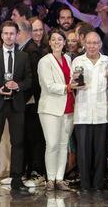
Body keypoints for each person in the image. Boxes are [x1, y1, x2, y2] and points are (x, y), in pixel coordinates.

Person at [0, 21, 32, 192]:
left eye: (12, 33)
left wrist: (17, 85)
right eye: (6, 33)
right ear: (1, 35)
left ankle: (16, 179)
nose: (9, 36)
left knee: (17, 142)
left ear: (17, 35)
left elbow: (29, 80)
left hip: (16, 104)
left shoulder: (23, 56)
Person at [37, 29, 82, 191]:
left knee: (64, 145)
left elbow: (74, 80)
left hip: (69, 106)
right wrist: (68, 87)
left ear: (64, 42)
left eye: (60, 39)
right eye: (53, 40)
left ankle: (59, 178)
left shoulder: (69, 59)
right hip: (50, 108)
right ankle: (50, 179)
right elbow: (48, 86)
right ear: (49, 43)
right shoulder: (45, 61)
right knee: (52, 144)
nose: (57, 42)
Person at [72, 32, 108, 192]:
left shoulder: (107, 61)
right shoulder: (77, 61)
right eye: (89, 43)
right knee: (83, 152)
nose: (92, 46)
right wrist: (75, 83)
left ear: (100, 44)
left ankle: (98, 183)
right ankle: (85, 184)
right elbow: (72, 83)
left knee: (101, 151)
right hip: (83, 113)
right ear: (84, 44)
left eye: (95, 43)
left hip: (103, 113)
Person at [16, 20, 46, 187]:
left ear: (21, 32)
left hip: (32, 101)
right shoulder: (25, 49)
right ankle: (27, 172)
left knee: (34, 137)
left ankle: (37, 172)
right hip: (27, 102)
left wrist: (20, 97)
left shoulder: (31, 51)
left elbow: (34, 80)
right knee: (27, 137)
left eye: (15, 32)